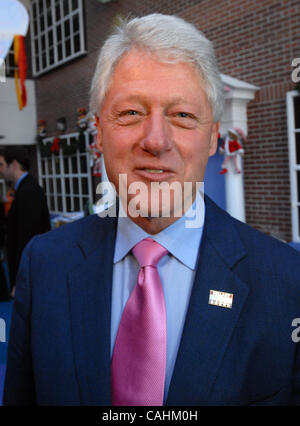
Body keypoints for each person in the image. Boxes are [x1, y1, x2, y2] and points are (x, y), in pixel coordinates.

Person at [3, 14, 300, 406]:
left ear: (212, 137)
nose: (156, 141)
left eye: (182, 115)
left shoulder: (286, 283)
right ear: (99, 132)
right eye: (130, 113)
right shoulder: (44, 266)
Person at [0, 147, 50, 297]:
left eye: (1, 165)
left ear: (14, 164)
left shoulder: (28, 191)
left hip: (30, 276)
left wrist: (20, 280)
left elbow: (27, 237)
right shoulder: (25, 188)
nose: (0, 170)